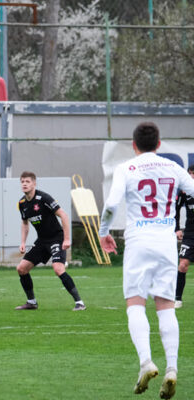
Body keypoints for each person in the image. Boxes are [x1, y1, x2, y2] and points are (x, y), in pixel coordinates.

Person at [99, 122, 194, 399]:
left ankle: (146, 362)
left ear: (134, 144)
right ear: (159, 143)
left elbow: (112, 204)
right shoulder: (174, 168)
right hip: (166, 243)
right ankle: (172, 368)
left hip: (139, 241)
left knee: (135, 302)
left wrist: (104, 233)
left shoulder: (126, 168)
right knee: (166, 307)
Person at [14, 171, 86, 311]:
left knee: (58, 268)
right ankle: (32, 302)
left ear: (34, 183)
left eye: (27, 181)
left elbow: (63, 215)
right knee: (21, 269)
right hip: (42, 241)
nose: (24, 184)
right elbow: (25, 224)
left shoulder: (44, 198)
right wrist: (23, 242)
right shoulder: (22, 203)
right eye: (22, 181)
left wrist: (66, 239)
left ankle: (80, 303)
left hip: (56, 238)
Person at [174, 164, 194, 308]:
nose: (191, 177)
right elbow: (175, 210)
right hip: (190, 234)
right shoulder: (184, 192)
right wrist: (176, 229)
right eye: (190, 174)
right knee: (182, 265)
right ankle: (177, 299)